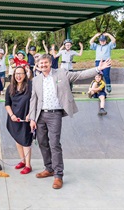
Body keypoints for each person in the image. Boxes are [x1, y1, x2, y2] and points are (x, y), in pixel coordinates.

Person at [29, 54, 111, 189]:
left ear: (50, 63)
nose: (43, 65)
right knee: (43, 143)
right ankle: (49, 168)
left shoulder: (62, 73)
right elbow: (33, 100)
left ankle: (58, 175)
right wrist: (32, 118)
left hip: (54, 114)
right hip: (40, 115)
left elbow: (80, 75)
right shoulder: (36, 79)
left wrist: (97, 69)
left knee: (54, 144)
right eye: (40, 63)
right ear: (37, 65)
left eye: (45, 63)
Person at [5, 66, 33, 174]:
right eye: (16, 73)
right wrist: (11, 115)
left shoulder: (30, 86)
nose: (18, 76)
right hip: (14, 119)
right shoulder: (10, 87)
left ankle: (28, 165)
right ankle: (23, 160)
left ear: (25, 75)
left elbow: (34, 100)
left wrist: (30, 114)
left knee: (25, 141)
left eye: (21, 73)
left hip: (26, 119)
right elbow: (7, 104)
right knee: (18, 140)